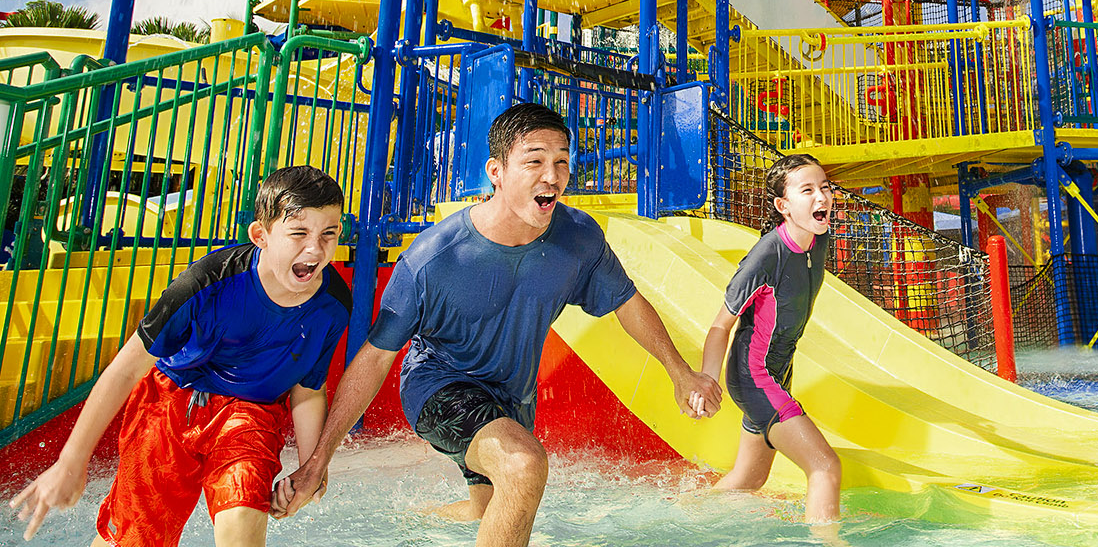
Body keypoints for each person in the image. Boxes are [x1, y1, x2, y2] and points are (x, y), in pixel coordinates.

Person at [280, 102, 721, 547]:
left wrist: (680, 372)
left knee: (490, 510)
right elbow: (374, 359)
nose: (552, 175)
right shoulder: (433, 258)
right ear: (497, 171)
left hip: (512, 399)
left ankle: (401, 526)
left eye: (562, 161)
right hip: (439, 387)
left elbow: (627, 302)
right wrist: (319, 459)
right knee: (523, 464)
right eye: (534, 161)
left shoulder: (579, 238)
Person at [9, 166, 350, 546]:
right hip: (170, 401)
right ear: (261, 236)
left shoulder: (332, 306)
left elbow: (308, 388)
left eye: (328, 234)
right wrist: (72, 460)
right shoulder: (206, 283)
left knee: (242, 523)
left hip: (250, 414)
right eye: (299, 233)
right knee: (135, 538)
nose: (315, 249)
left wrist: (309, 470)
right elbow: (124, 371)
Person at [697, 153, 842, 525]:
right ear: (783, 206)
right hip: (754, 376)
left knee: (750, 478)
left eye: (825, 187)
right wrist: (706, 381)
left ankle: (686, 516)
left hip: (779, 371)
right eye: (807, 190)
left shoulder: (817, 238)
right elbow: (719, 326)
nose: (821, 197)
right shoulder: (766, 255)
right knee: (825, 466)